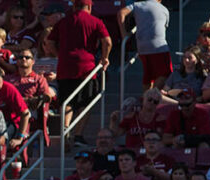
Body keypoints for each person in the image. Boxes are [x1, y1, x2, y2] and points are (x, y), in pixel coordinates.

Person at [44, 0, 111, 145]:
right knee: (86, 103)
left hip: (65, 67)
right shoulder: (95, 21)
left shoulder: (63, 22)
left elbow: (49, 42)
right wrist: (105, 59)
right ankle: (78, 135)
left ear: (74, 6)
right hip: (87, 68)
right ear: (89, 6)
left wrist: (59, 56)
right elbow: (107, 41)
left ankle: (66, 129)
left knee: (67, 102)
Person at [117, 0, 170, 90]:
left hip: (142, 48)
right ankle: (152, 97)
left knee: (148, 77)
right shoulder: (164, 9)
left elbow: (121, 13)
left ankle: (147, 99)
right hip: (159, 48)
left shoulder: (137, 5)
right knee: (165, 74)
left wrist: (124, 33)